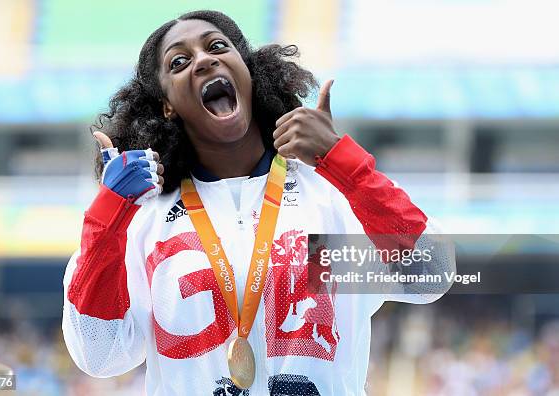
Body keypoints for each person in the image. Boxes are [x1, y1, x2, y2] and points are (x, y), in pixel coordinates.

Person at [62, 10, 455, 396]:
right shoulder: (144, 219)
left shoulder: (331, 193)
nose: (204, 59)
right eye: (180, 61)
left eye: (218, 46)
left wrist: (342, 161)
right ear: (166, 105)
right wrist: (108, 214)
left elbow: (431, 274)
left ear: (249, 74)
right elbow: (100, 355)